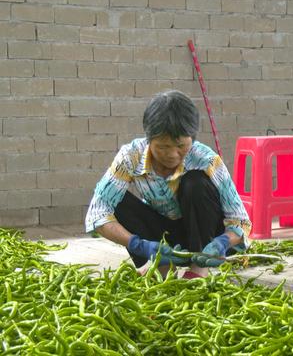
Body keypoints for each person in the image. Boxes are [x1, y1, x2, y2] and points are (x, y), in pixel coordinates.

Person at [85, 90, 251, 279]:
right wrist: (138, 245)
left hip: (205, 239)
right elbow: (97, 213)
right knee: (116, 199)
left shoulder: (206, 160)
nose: (172, 155)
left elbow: (241, 222)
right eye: (163, 147)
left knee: (194, 182)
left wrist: (222, 242)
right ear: (149, 140)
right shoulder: (131, 156)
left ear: (192, 138)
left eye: (181, 146)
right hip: (161, 241)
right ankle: (162, 265)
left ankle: (199, 267)